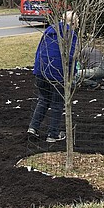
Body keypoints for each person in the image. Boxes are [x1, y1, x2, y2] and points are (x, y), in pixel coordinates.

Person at [27, 11, 79, 142]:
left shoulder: (49, 30)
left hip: (41, 71)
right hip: (58, 74)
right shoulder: (71, 35)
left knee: (43, 99)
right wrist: (72, 76)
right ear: (73, 23)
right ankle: (53, 134)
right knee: (57, 103)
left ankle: (33, 128)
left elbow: (39, 50)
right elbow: (71, 57)